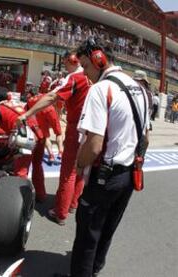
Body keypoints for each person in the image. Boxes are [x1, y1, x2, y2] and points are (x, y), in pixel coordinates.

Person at [58, 37, 149, 277]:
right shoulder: (140, 88)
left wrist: (79, 165)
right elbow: (146, 139)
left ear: (98, 60)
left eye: (86, 66)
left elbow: (94, 145)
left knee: (88, 234)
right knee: (108, 228)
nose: (85, 73)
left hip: (105, 177)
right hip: (129, 175)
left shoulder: (101, 89)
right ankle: (95, 269)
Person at [17, 51, 90, 225]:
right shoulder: (94, 78)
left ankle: (60, 212)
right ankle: (72, 204)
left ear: (72, 60)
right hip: (92, 130)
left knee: (68, 174)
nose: (64, 65)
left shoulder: (74, 78)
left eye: (65, 62)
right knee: (81, 170)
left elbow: (51, 97)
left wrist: (27, 114)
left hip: (75, 127)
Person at [0, 87, 43, 179]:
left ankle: (19, 191)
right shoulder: (16, 104)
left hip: (25, 139)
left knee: (20, 173)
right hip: (37, 135)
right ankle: (40, 193)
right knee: (35, 168)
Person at [26, 89, 62, 201]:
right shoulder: (49, 108)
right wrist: (61, 148)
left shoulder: (30, 101)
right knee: (37, 166)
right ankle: (41, 194)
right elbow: (58, 131)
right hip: (40, 137)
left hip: (28, 137)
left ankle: (22, 196)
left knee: (22, 167)